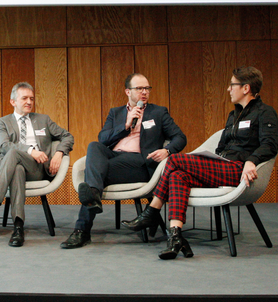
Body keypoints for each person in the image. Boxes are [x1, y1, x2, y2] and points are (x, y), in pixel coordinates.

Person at [122, 66, 278, 260]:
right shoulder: (233, 115)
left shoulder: (265, 113)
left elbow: (270, 145)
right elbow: (221, 146)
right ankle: (175, 237)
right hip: (222, 166)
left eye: (232, 85)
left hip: (238, 170)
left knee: (174, 159)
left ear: (246, 88)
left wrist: (251, 161)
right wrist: (214, 157)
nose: (229, 89)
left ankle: (152, 211)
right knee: (178, 176)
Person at [61, 73, 186, 249]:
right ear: (128, 91)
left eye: (147, 88)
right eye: (139, 88)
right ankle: (93, 193)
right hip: (115, 157)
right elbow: (103, 139)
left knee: (94, 175)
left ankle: (82, 229)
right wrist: (125, 125)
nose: (144, 92)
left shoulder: (158, 112)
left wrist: (167, 150)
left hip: (140, 162)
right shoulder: (116, 112)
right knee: (94, 146)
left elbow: (180, 137)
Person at [0, 82, 74, 247]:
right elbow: (4, 145)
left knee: (14, 154)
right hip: (11, 167)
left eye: (31, 98)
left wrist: (59, 153)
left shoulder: (43, 120)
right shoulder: (2, 122)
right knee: (16, 166)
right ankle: (18, 228)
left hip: (36, 168)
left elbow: (67, 136)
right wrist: (30, 150)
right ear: (13, 102)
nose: (29, 102)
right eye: (24, 98)